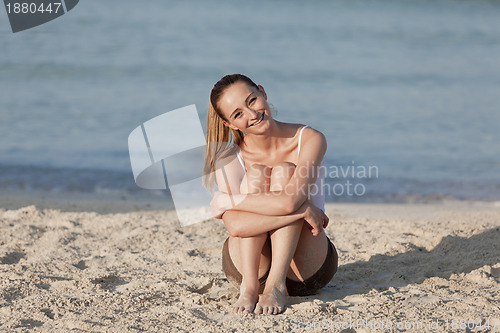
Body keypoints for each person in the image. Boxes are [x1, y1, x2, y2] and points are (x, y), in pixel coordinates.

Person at [203, 74, 338, 315]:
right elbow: (235, 227)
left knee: (284, 171)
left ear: (263, 93)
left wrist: (229, 201)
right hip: (248, 268)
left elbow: (289, 201)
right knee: (255, 175)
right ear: (230, 125)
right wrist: (303, 211)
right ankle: (251, 287)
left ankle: (276, 285)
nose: (252, 114)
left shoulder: (309, 139)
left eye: (252, 100)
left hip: (306, 268)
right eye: (238, 114)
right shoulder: (229, 160)